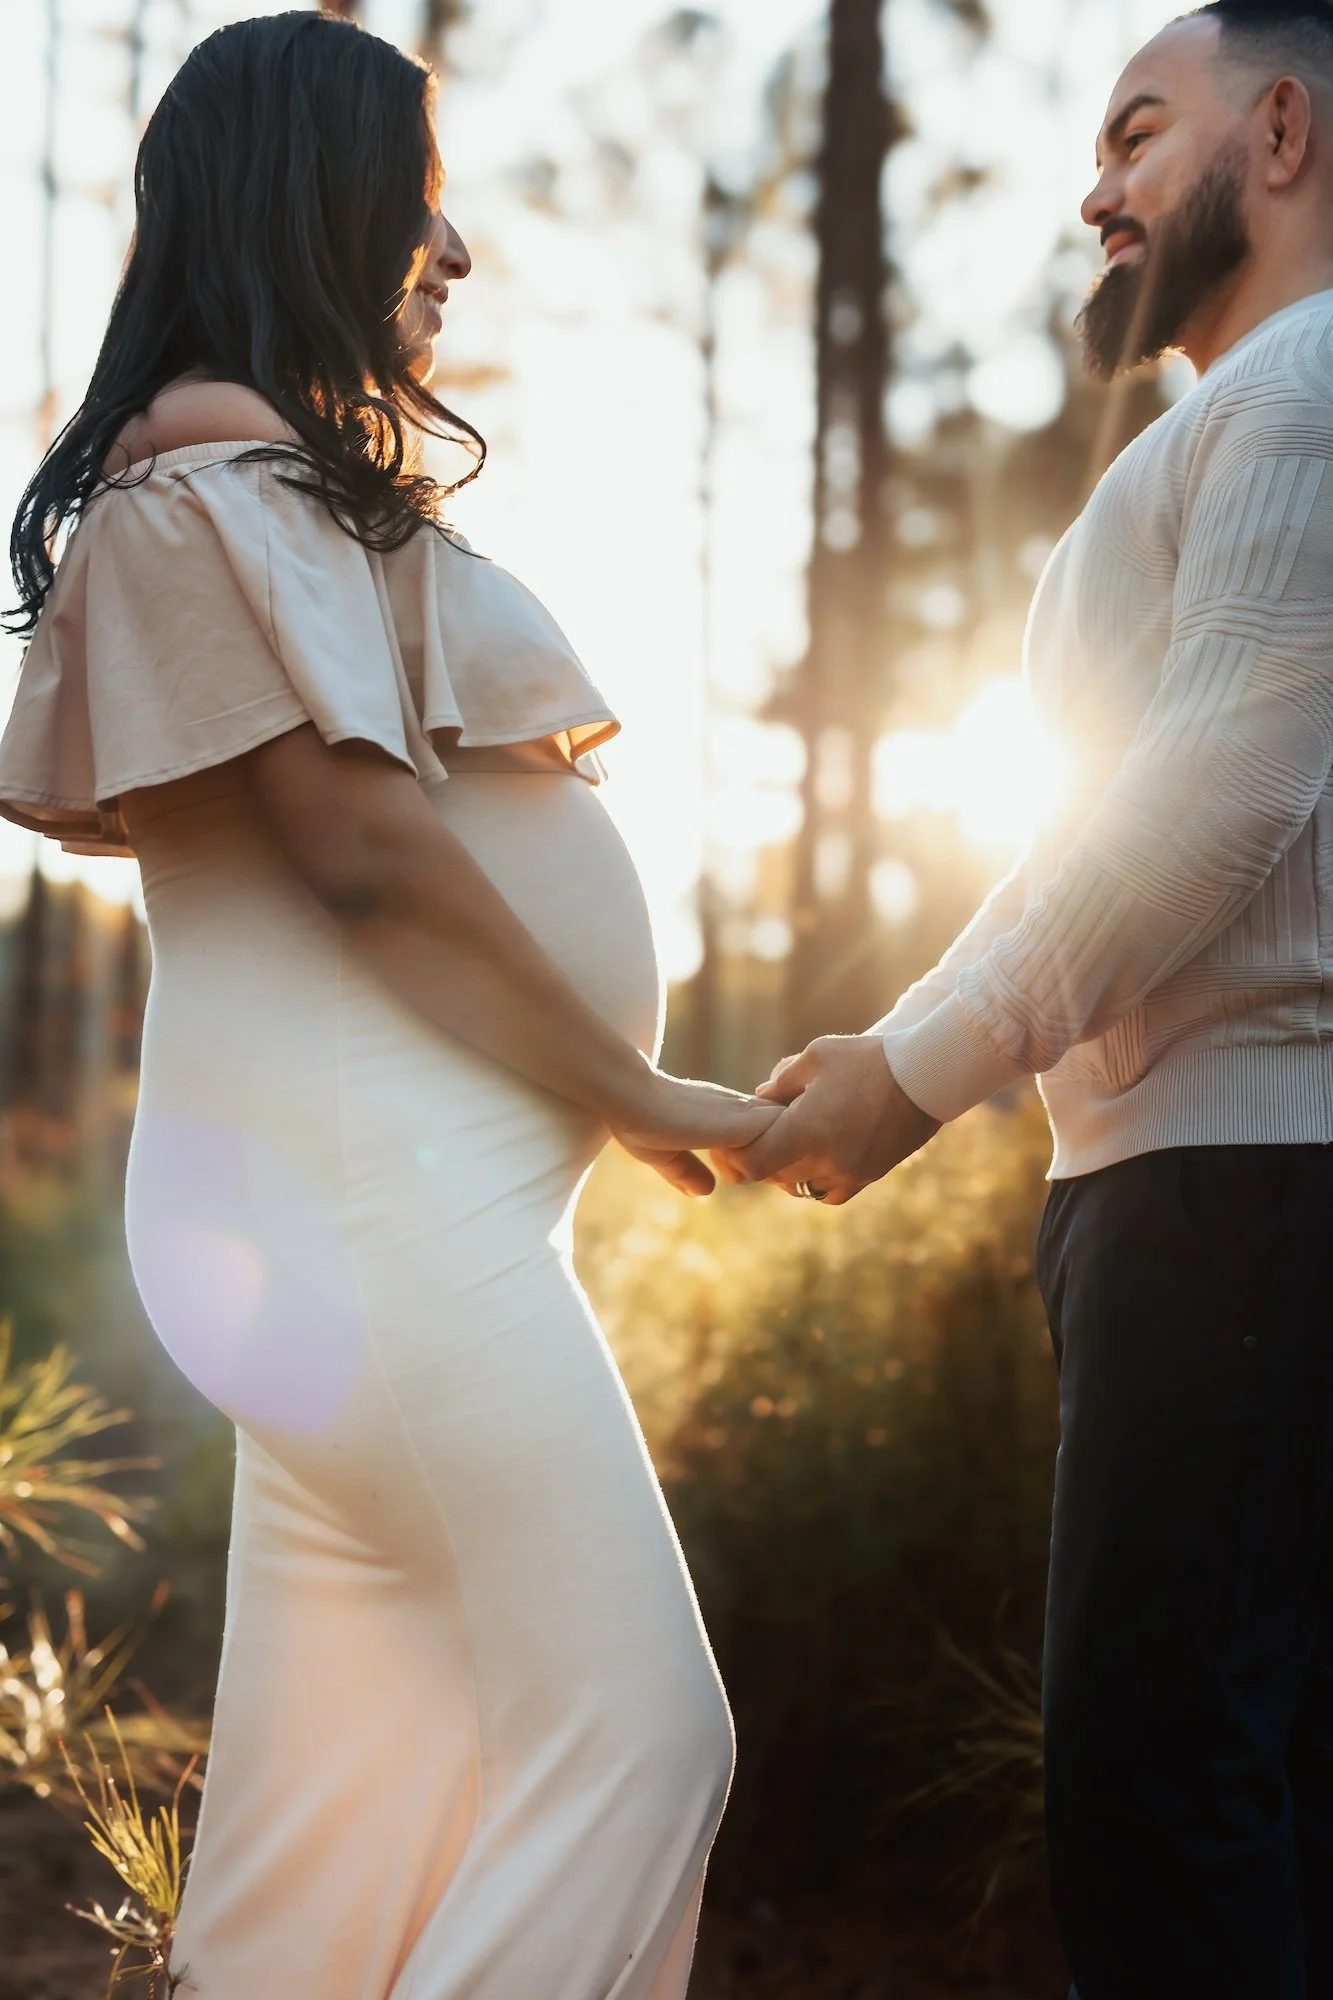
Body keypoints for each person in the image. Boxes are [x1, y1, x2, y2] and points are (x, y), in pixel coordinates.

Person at [0, 14, 779, 1997]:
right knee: (643, 1734)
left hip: (358, 1197)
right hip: (371, 1196)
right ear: (307, 202)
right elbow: (361, 853)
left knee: (347, 1803)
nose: (454, 252)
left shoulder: (241, 479)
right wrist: (633, 1082)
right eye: (419, 205)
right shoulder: (209, 478)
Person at [721, 3, 1333, 1995]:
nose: (1098, 186)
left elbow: (1201, 815)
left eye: (1143, 130)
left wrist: (910, 1080)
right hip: (1187, 1199)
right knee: (1230, 1810)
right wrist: (913, 1035)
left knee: (1164, 1823)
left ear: (1287, 132)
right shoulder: (1228, 421)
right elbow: (1094, 825)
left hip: (1244, 1203)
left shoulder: (1311, 384)